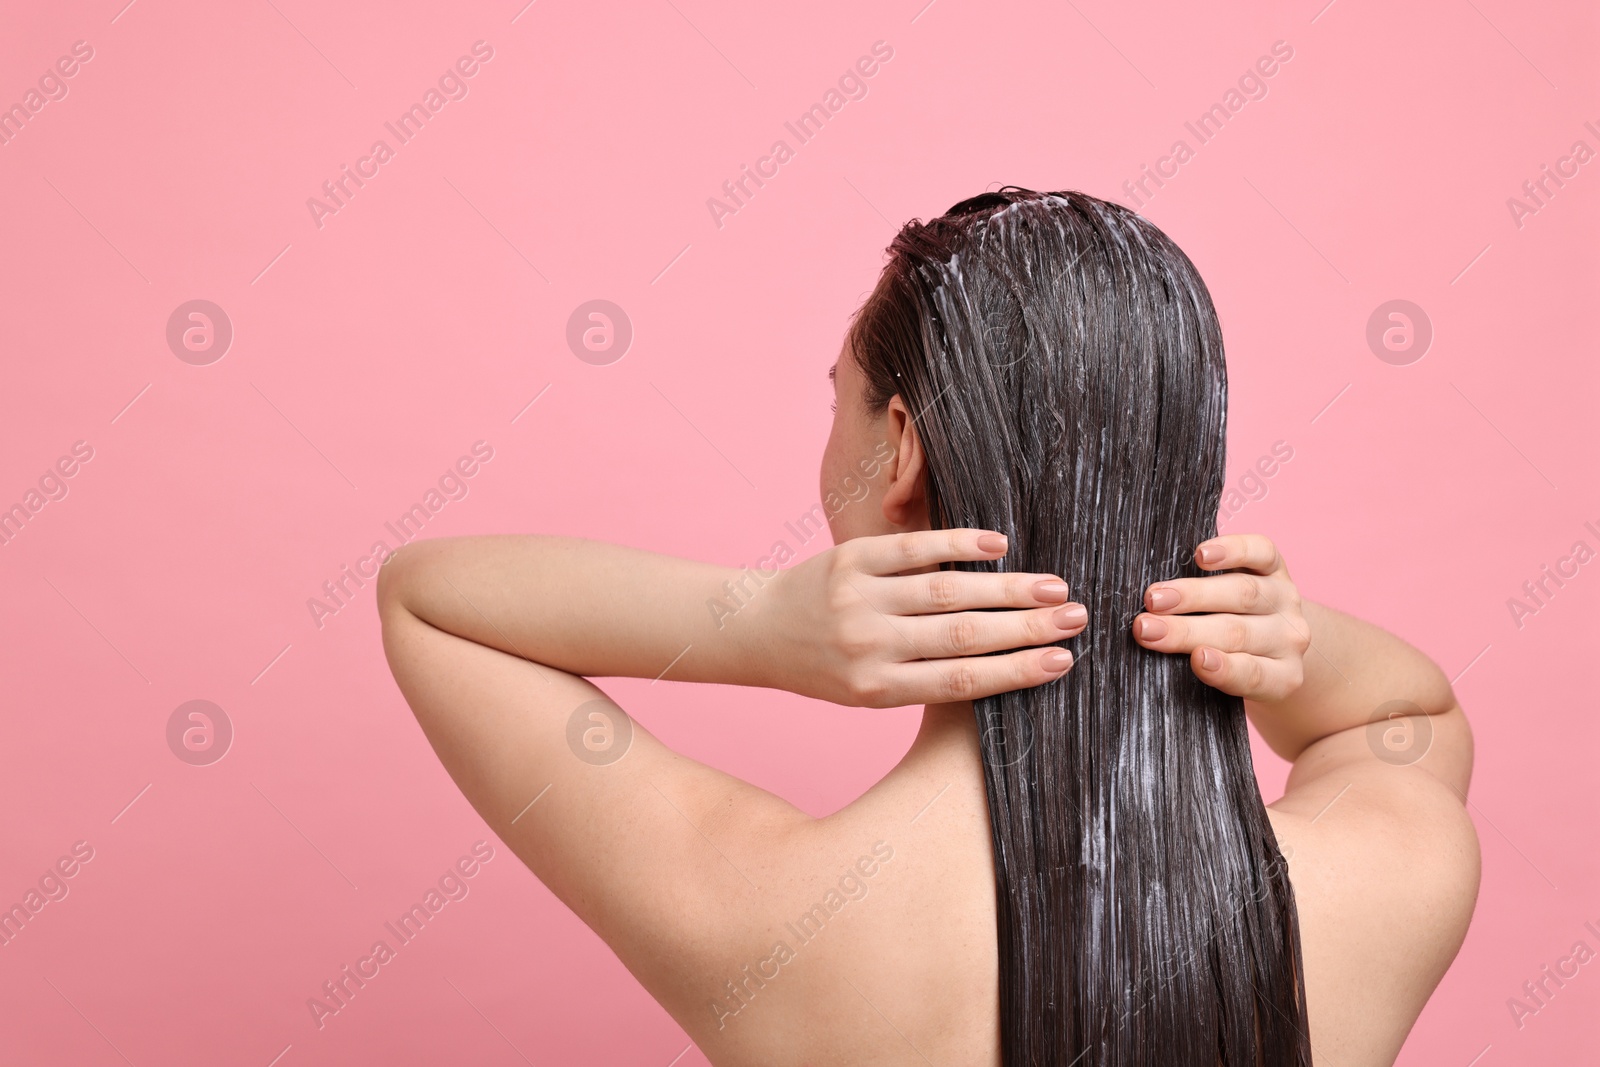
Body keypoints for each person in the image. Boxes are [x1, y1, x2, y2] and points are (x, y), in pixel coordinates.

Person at [378, 189, 1480, 1066]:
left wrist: (755, 623)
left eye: (838, 400)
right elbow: (1412, 714)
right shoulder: (1384, 879)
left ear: (896, 450)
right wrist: (1280, 642)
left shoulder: (767, 913)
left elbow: (432, 601)